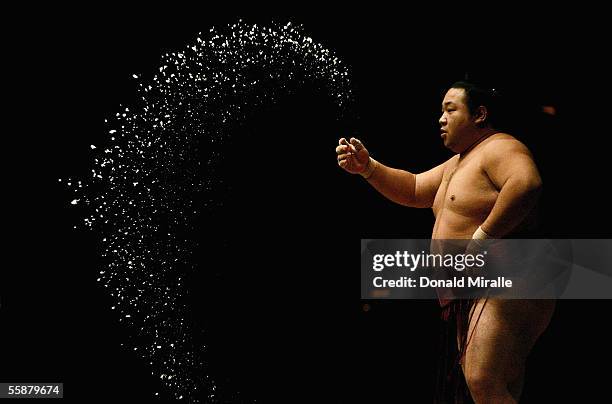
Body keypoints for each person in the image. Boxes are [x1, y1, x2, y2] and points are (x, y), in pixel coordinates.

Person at [337, 81, 555, 403]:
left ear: (479, 114)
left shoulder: (499, 147)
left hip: (509, 275)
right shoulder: (458, 164)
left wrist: (481, 239)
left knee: (483, 378)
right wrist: (368, 168)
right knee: (495, 387)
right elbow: (412, 189)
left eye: (450, 110)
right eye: (441, 111)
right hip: (477, 288)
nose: (441, 118)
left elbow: (526, 183)